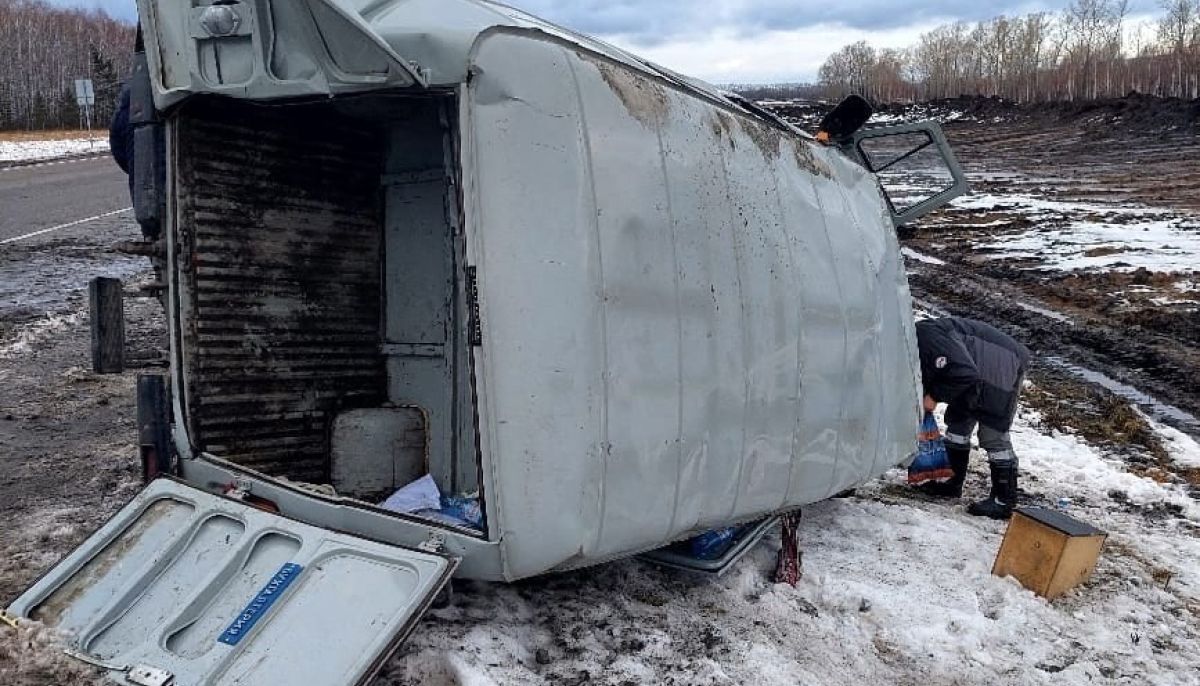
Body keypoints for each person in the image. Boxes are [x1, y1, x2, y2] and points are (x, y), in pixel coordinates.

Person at [914, 316, 1031, 519]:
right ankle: (951, 483)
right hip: (972, 366)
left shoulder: (927, 338)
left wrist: (933, 397)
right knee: (958, 425)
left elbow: (962, 374)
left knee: (993, 433)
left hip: (1001, 363)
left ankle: (1003, 501)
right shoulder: (918, 340)